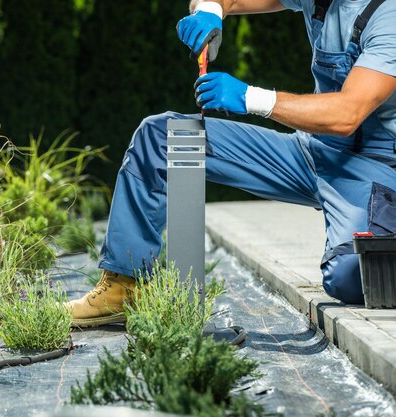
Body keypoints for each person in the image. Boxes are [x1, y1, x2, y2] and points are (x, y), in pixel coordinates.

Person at [67, 0, 396, 327]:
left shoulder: (388, 14)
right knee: (162, 138)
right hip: (311, 152)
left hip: (371, 166)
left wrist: (251, 97)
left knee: (352, 276)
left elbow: (347, 114)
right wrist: (211, 10)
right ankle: (124, 288)